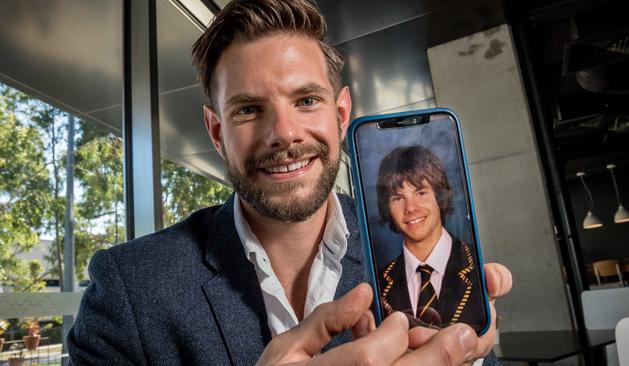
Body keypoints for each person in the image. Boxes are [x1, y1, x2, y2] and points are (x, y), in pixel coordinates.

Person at [66, 0, 512, 365]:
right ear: (217, 133)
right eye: (247, 109)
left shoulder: (415, 253)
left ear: (340, 116)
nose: (284, 133)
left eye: (306, 100)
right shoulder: (129, 288)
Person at [376, 146, 484, 329]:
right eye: (398, 198)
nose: (411, 207)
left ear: (439, 195)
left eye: (420, 193)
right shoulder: (377, 283)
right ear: (387, 207)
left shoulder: (479, 266)